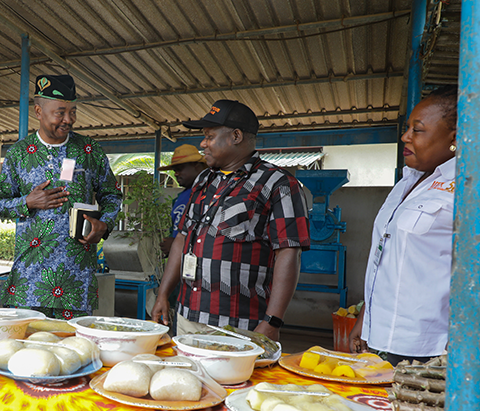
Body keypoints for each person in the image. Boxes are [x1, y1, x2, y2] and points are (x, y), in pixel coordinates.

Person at [150, 99, 310, 341]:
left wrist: (273, 321)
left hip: (239, 325)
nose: (203, 143)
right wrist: (163, 294)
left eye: (210, 136)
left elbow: (288, 253)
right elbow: (182, 240)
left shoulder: (278, 184)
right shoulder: (203, 181)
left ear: (236, 136)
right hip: (188, 318)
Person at [0, 74, 123, 320]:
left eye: (73, 112)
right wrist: (27, 202)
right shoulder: (19, 154)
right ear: (39, 111)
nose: (68, 120)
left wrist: (104, 224)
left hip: (76, 282)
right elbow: (0, 204)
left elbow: (111, 195)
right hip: (28, 284)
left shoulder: (89, 151)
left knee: (73, 353)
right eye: (60, 112)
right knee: (28, 352)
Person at [348, 86, 457, 366]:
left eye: (417, 130)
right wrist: (365, 319)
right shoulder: (407, 182)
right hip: (380, 339)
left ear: (456, 138)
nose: (405, 136)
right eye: (408, 127)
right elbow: (384, 257)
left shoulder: (465, 190)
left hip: (429, 347)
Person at [158, 144, 208, 257]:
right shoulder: (180, 198)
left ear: (195, 165)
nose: (176, 174)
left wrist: (177, 245)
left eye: (179, 169)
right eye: (175, 170)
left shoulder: (208, 194)